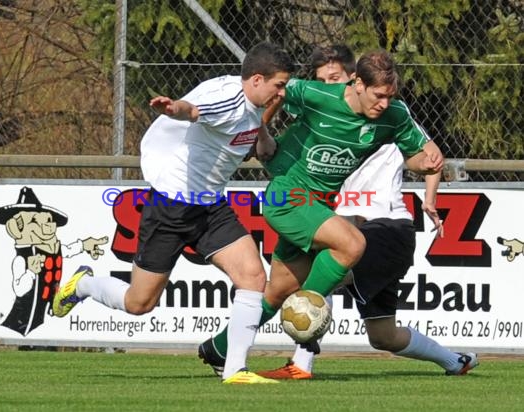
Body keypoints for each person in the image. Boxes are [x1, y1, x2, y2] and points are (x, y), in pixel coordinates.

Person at [199, 46, 477, 378]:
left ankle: (219, 348)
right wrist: (258, 135)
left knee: (276, 292)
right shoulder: (317, 94)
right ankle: (309, 314)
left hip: (318, 205)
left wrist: (426, 163)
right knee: (352, 244)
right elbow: (273, 92)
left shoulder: (394, 115)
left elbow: (415, 157)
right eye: (378, 95)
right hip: (287, 197)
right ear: (357, 83)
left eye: (390, 96)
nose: (384, 103)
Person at [52, 41, 295, 384]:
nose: (281, 92)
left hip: (210, 207)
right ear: (256, 79)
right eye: (279, 84)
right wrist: (173, 108)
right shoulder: (226, 97)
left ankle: (236, 370)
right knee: (139, 303)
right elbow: (193, 110)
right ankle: (84, 285)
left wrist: (265, 135)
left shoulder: (254, 105)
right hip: (171, 207)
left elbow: (257, 138)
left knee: (253, 278)